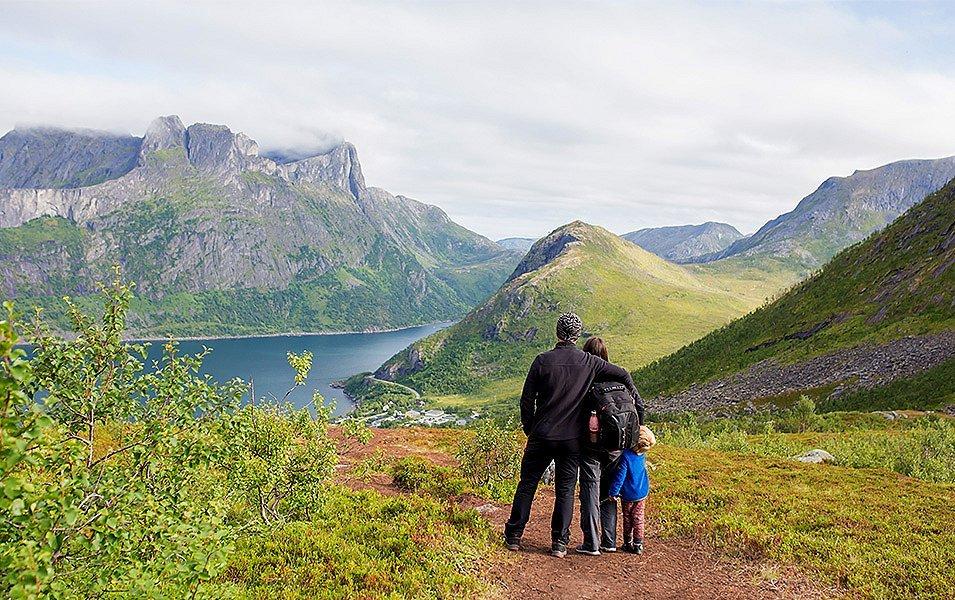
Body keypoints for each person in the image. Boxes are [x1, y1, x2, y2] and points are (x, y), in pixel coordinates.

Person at [504, 313, 641, 558]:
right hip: (571, 440)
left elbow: (526, 400)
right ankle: (559, 543)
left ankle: (514, 536)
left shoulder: (542, 361)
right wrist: (634, 403)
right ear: (577, 336)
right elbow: (622, 374)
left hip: (542, 435)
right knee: (564, 490)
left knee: (527, 485)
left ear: (558, 333)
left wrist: (530, 428)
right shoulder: (589, 362)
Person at [576, 337, 645, 556]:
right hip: (617, 447)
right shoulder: (621, 377)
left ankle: (591, 543)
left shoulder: (586, 380)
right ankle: (609, 541)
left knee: (590, 490)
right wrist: (633, 439)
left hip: (591, 446)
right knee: (608, 493)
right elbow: (640, 406)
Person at [608, 425, 656, 554]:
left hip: (628, 494)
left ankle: (627, 543)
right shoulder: (642, 455)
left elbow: (620, 476)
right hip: (641, 492)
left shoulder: (626, 456)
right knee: (639, 517)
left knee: (628, 518)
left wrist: (613, 492)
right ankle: (638, 544)